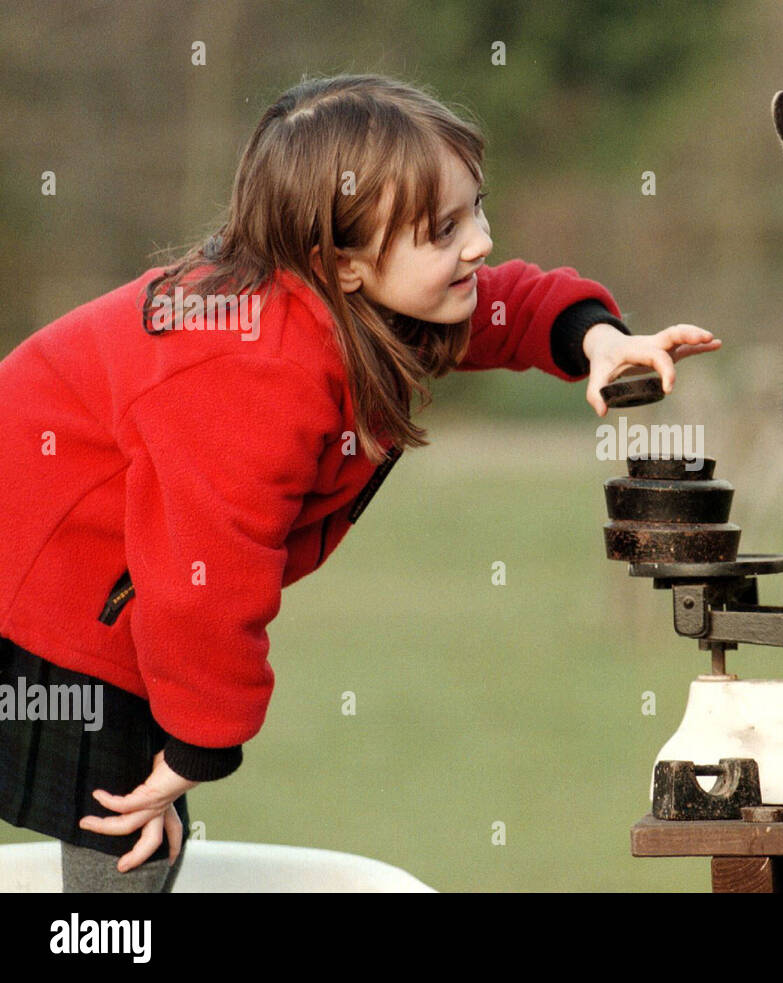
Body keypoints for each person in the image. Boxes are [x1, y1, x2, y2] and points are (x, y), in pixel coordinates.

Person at [0, 74, 719, 892]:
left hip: (102, 573)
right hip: (40, 565)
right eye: (443, 229)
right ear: (338, 261)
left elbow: (498, 304)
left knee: (137, 816)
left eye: (476, 208)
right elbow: (202, 580)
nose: (479, 241)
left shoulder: (356, 302)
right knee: (126, 821)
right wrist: (197, 744)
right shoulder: (251, 372)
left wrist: (592, 338)